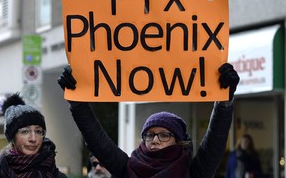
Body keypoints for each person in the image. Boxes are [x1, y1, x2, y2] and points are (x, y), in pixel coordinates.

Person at [58, 63, 240, 178]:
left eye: (164, 135)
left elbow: (215, 139)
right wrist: (77, 102)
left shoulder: (193, 171)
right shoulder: (127, 168)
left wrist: (224, 101)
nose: (155, 140)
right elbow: (98, 141)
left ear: (178, 141)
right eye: (149, 135)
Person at [0, 93, 67, 178]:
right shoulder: (1, 169)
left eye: (38, 131)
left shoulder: (53, 172)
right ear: (12, 137)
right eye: (25, 132)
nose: (33, 139)